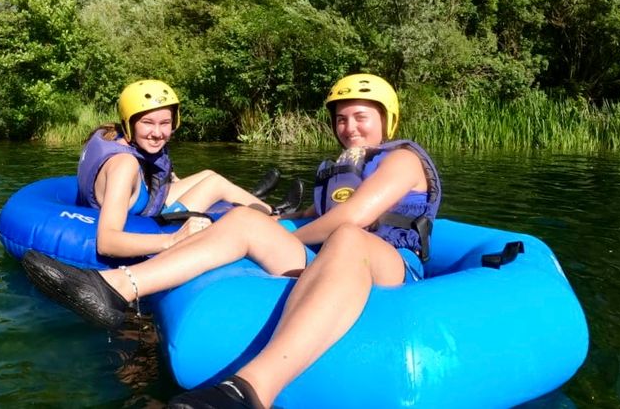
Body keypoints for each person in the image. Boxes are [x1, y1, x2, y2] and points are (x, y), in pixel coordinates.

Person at [25, 74, 441, 408]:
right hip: (330, 263)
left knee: (347, 236)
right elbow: (316, 217)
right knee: (244, 219)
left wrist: (281, 232)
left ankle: (251, 390)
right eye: (342, 118)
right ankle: (116, 287)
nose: (349, 127)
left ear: (387, 118)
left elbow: (351, 217)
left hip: (390, 267)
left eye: (360, 116)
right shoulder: (337, 169)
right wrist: (277, 218)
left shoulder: (403, 159)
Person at [77, 79, 303, 258]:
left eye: (165, 123)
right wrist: (173, 240)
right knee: (214, 185)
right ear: (129, 123)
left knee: (209, 176)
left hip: (143, 201)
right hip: (150, 222)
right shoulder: (123, 166)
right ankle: (275, 217)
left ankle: (266, 207)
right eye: (148, 123)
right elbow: (107, 242)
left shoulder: (113, 135)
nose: (158, 133)